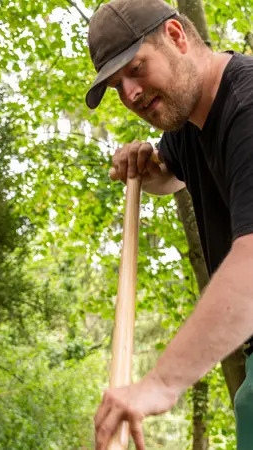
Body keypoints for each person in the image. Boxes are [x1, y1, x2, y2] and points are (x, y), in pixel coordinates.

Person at [85, 0, 253, 448]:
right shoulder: (189, 121)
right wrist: (147, 167)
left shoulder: (248, 107)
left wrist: (158, 383)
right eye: (118, 86)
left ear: (178, 36)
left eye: (136, 69)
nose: (131, 94)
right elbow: (173, 176)